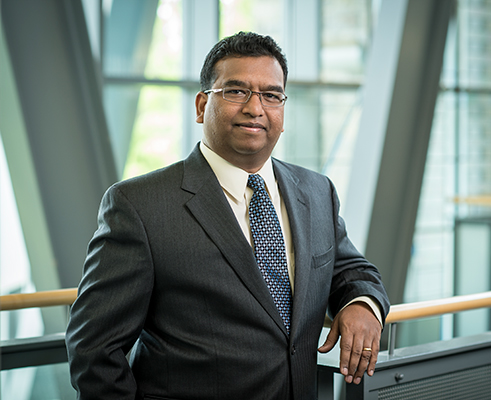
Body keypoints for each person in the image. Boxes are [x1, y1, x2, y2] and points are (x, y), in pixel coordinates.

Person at [66, 31, 390, 400]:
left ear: (282, 112)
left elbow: (351, 270)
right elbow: (93, 349)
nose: (256, 108)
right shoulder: (139, 205)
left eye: (271, 95)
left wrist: (361, 305)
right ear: (202, 105)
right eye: (236, 92)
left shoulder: (317, 192)